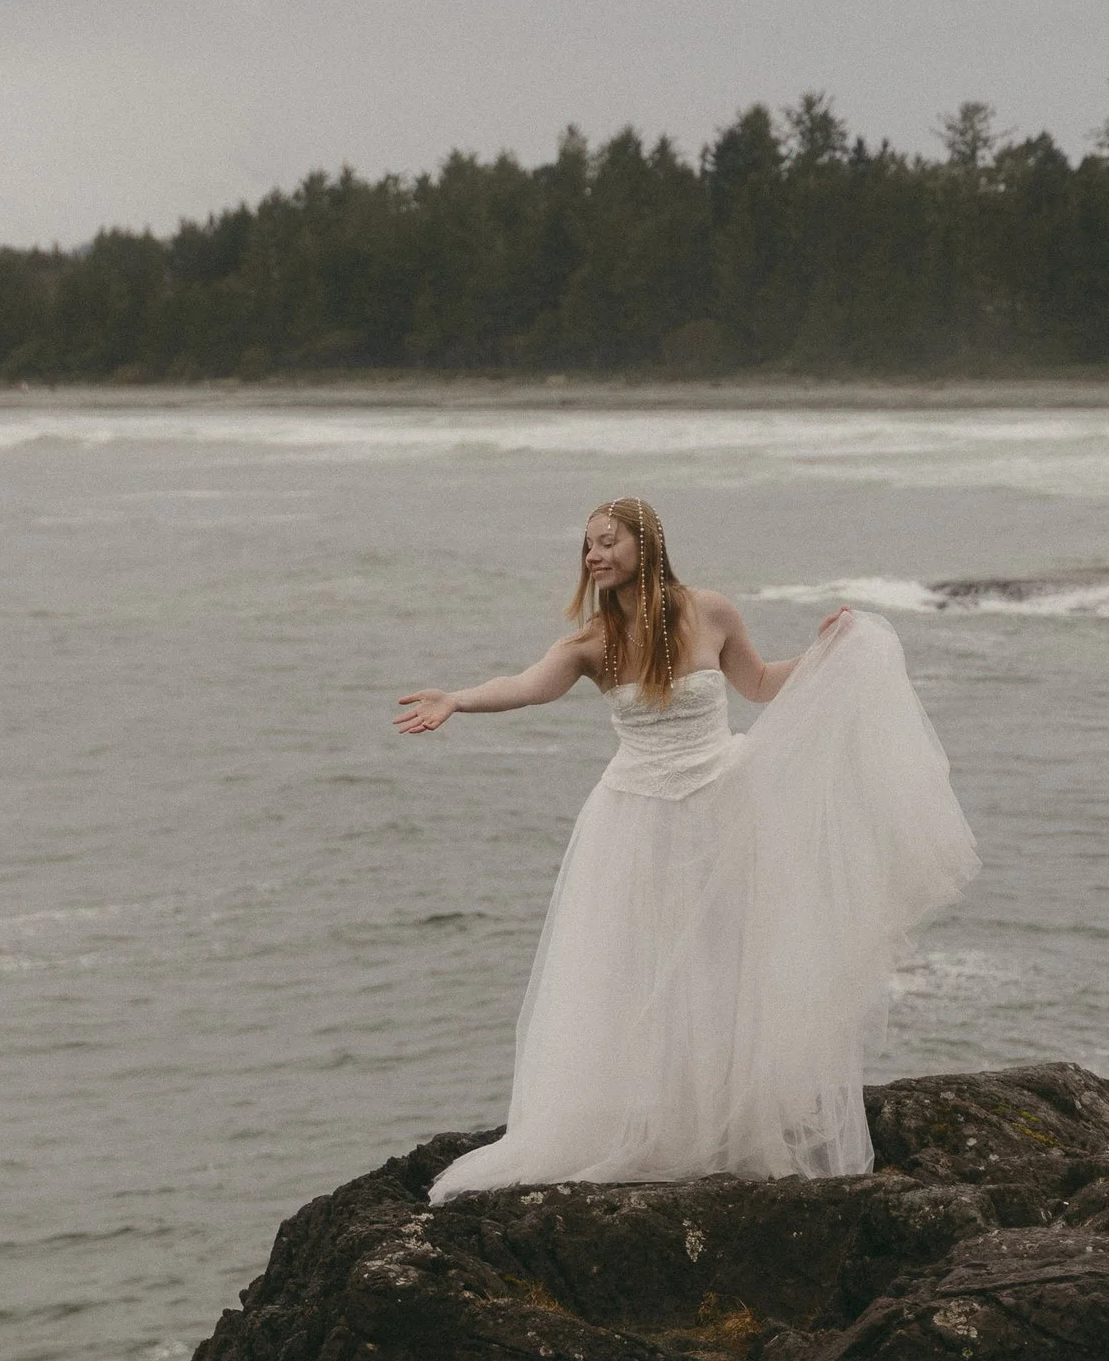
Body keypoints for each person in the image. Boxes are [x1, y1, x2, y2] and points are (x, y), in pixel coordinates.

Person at [397, 496, 976, 1192]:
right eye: (587, 547)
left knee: (727, 962)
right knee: (640, 967)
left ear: (647, 542)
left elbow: (759, 684)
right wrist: (458, 700)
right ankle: (654, 1123)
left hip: (724, 808)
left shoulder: (711, 611)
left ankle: (728, 1121)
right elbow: (522, 687)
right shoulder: (590, 644)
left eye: (608, 541)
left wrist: (828, 653)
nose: (595, 556)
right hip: (635, 821)